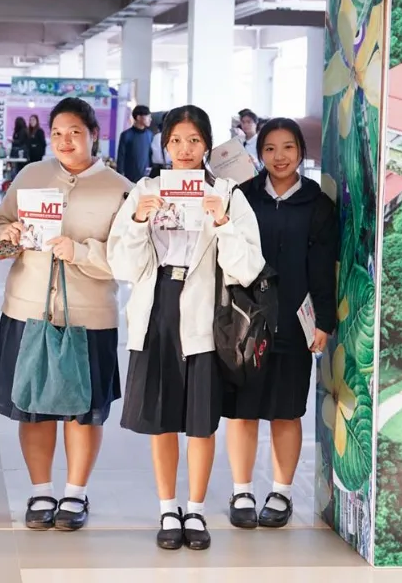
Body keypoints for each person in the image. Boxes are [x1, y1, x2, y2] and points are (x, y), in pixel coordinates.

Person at [107, 105, 264, 552]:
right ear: (164, 144)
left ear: (207, 145)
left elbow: (247, 268)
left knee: (200, 421)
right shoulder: (145, 190)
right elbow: (122, 266)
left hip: (206, 315)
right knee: (161, 420)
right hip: (157, 307)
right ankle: (167, 507)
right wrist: (139, 221)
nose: (184, 149)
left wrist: (222, 222)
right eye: (175, 140)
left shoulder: (227, 193)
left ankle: (194, 508)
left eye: (194, 140)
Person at [0, 97, 131, 532]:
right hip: (28, 309)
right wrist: (10, 236)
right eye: (57, 133)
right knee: (32, 407)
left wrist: (81, 252)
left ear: (94, 135)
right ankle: (41, 490)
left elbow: (128, 259)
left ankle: (75, 492)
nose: (65, 141)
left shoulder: (119, 188)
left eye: (75, 133)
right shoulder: (31, 175)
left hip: (90, 318)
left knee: (83, 410)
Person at [225, 117, 338, 530]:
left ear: (301, 152)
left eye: (288, 147)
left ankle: (281, 492)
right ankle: (241, 491)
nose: (279, 157)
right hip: (245, 321)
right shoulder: (242, 197)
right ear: (259, 154)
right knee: (242, 411)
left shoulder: (318, 204)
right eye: (270, 149)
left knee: (286, 412)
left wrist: (323, 320)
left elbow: (322, 268)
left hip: (293, 321)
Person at [116, 104, 154, 182]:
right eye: (148, 116)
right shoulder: (126, 135)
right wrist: (120, 174)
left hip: (146, 177)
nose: (150, 119)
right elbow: (121, 156)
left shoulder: (150, 135)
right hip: (129, 177)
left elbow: (151, 155)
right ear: (138, 117)